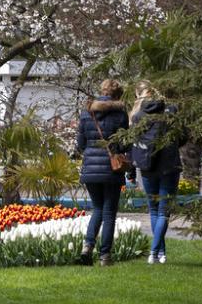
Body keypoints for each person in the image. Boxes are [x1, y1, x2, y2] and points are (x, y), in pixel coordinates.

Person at [131, 80, 187, 265]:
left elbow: (135, 142)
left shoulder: (138, 115)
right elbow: (183, 136)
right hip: (169, 165)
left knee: (154, 210)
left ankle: (159, 252)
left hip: (148, 166)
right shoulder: (171, 112)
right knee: (164, 212)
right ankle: (156, 252)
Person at [76, 79, 130, 266]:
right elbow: (124, 143)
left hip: (90, 167)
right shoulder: (121, 115)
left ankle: (87, 246)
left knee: (97, 208)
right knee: (108, 213)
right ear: (117, 95)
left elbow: (80, 144)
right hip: (111, 168)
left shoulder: (87, 112)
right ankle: (104, 256)